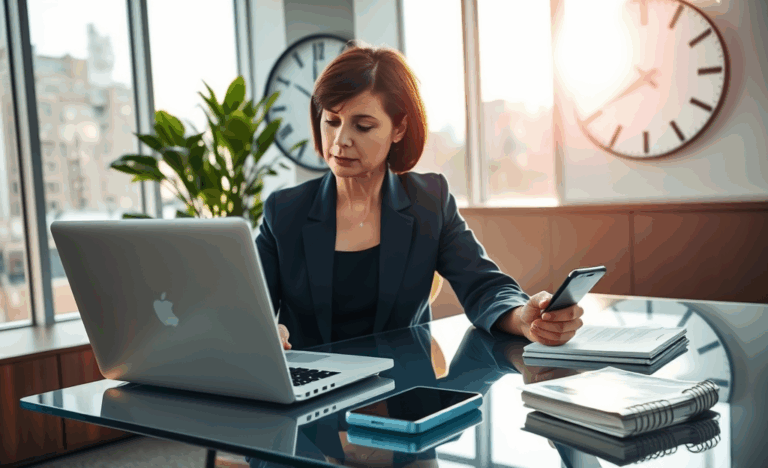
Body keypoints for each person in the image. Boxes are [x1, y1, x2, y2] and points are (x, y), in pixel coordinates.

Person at [255, 43, 584, 351]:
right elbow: (246, 308)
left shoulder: (429, 201)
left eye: (363, 126)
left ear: (398, 129)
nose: (340, 140)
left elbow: (484, 286)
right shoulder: (284, 211)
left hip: (404, 392)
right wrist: (266, 332)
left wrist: (524, 318)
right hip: (313, 396)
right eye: (332, 121)